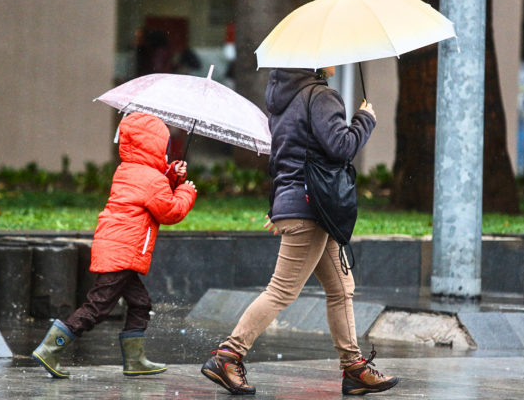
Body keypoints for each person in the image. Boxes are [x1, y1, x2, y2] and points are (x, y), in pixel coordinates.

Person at [201, 67, 398, 395]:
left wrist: (278, 204)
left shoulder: (284, 100)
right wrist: (365, 119)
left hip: (305, 206)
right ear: (315, 61)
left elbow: (280, 158)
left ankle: (354, 369)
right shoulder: (320, 96)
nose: (336, 61)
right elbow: (341, 147)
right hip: (311, 208)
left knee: (340, 288)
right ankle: (228, 354)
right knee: (282, 291)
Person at [32, 113, 197, 378]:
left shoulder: (128, 170)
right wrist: (185, 190)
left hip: (115, 247)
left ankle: (135, 361)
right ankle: (51, 349)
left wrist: (171, 173)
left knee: (140, 303)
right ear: (154, 146)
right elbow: (170, 211)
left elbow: (151, 186)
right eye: (164, 148)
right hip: (124, 252)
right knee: (97, 307)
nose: (166, 153)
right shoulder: (152, 181)